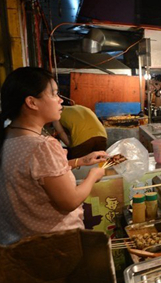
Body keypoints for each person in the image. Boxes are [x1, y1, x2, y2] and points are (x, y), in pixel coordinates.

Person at [0, 67, 107, 246]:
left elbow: (36, 172)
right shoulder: (42, 146)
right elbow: (70, 201)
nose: (60, 100)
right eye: (54, 94)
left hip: (18, 244)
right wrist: (93, 176)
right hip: (55, 245)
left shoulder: (9, 136)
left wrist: (80, 161)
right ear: (32, 102)